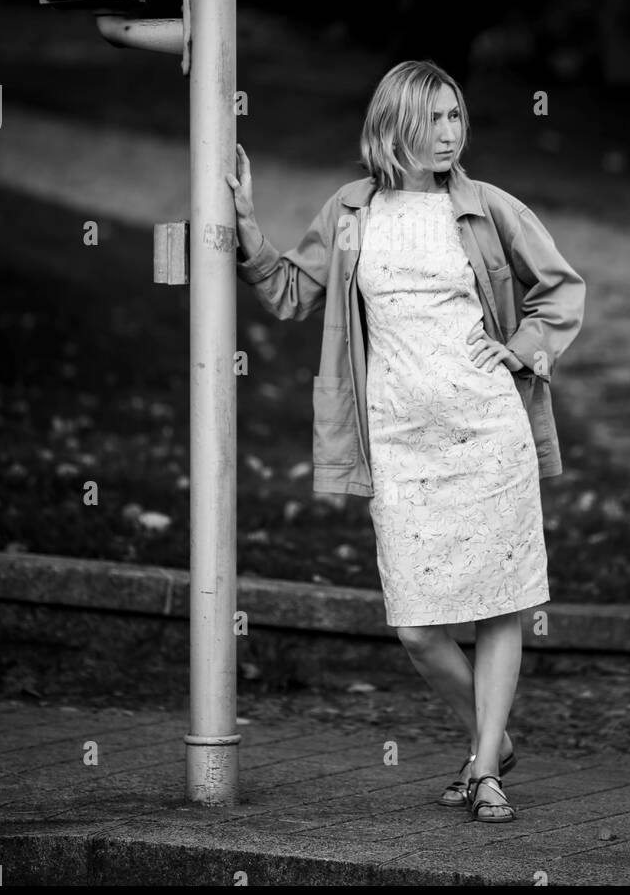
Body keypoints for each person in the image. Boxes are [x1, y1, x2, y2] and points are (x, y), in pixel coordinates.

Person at [226, 60, 585, 822]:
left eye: (457, 117)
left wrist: (520, 348)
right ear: (395, 127)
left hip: (489, 432)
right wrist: (250, 235)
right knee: (417, 626)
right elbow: (292, 292)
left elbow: (561, 288)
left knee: (500, 608)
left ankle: (485, 768)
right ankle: (493, 740)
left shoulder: (487, 208)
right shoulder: (352, 211)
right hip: (398, 443)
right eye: (434, 121)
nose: (451, 134)